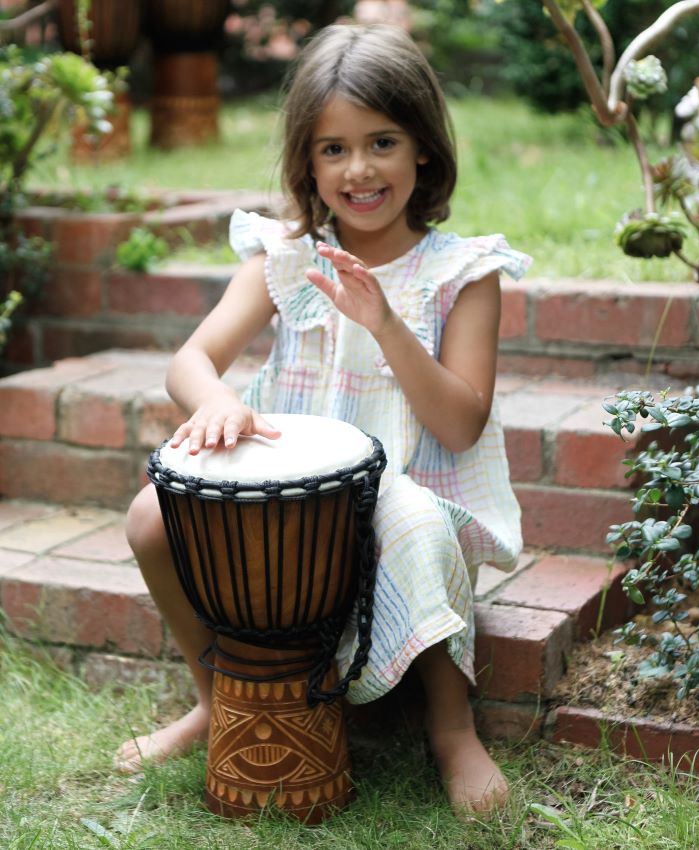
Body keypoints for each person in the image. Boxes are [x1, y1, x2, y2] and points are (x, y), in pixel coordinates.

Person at [115, 23, 531, 816]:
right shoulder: (286, 255)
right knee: (148, 517)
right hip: (294, 500)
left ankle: (452, 729)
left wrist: (386, 324)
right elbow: (189, 361)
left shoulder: (464, 273)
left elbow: (460, 426)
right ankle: (215, 701)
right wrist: (219, 401)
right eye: (333, 149)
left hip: (413, 494)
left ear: (423, 150)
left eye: (382, 142)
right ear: (306, 162)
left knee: (416, 521)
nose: (358, 169)